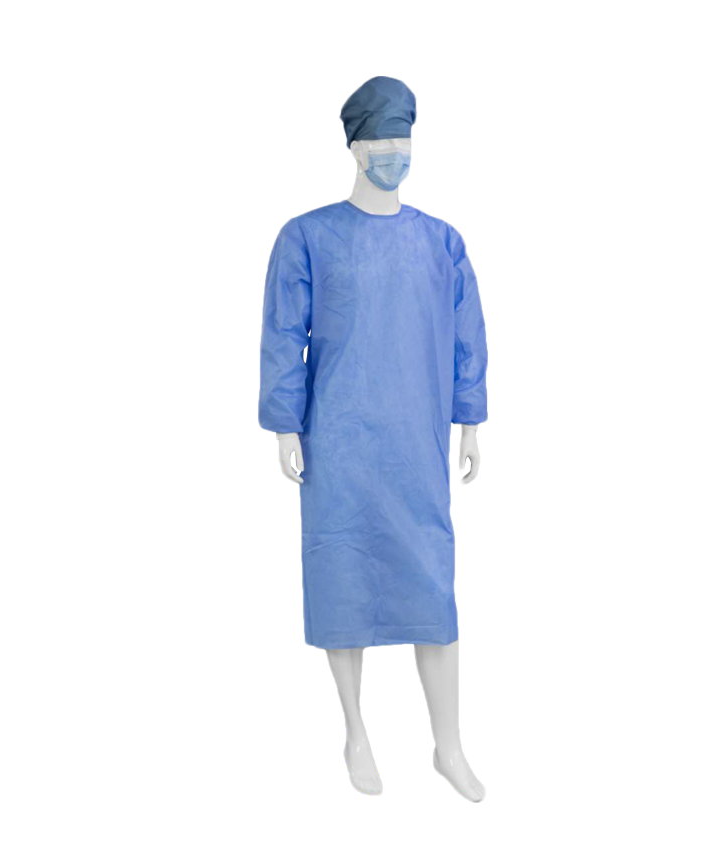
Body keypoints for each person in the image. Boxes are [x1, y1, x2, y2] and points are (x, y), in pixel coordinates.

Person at [258, 77, 488, 801]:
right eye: (382, 141)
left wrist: (470, 424)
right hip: (340, 441)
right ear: (356, 148)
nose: (396, 153)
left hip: (417, 444)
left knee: (434, 591)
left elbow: (468, 342)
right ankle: (356, 731)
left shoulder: (442, 242)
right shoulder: (306, 237)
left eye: (404, 141)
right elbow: (282, 336)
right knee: (343, 580)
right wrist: (284, 425)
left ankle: (449, 748)